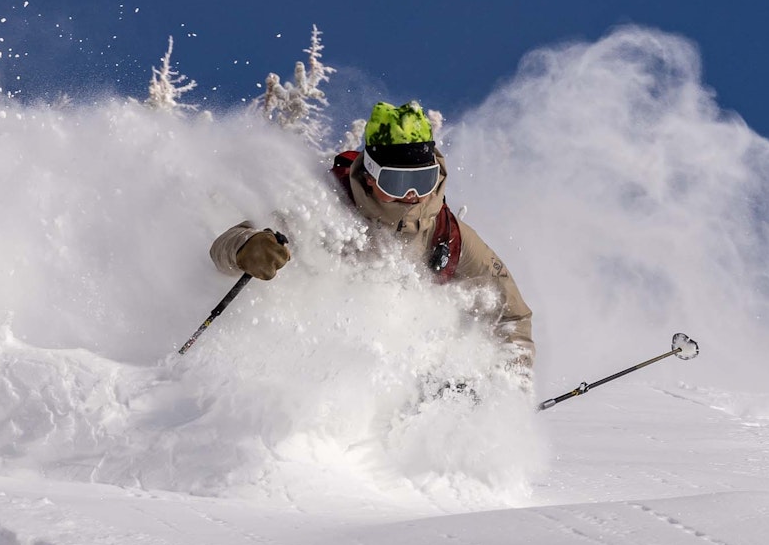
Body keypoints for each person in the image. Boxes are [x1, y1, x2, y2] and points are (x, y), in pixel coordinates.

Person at [209, 100, 534, 381]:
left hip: (408, 380)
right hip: (312, 365)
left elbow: (512, 314)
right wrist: (246, 248)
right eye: (397, 181)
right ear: (370, 175)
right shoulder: (325, 208)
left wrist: (511, 388)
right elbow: (227, 245)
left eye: (423, 180)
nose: (412, 195)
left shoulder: (448, 234)